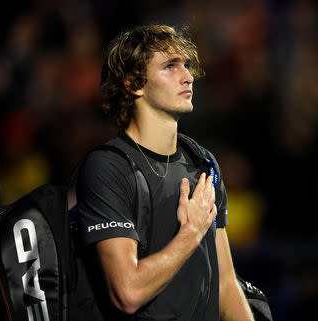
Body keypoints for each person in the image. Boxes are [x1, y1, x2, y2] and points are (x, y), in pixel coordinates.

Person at [75, 24, 255, 321]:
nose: (188, 76)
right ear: (134, 83)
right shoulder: (106, 167)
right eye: (170, 66)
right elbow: (127, 293)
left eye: (186, 65)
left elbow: (225, 285)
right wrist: (191, 233)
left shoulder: (203, 162)